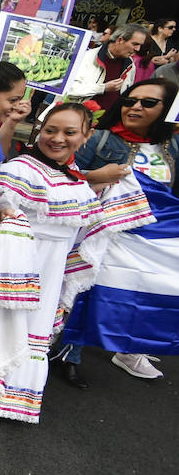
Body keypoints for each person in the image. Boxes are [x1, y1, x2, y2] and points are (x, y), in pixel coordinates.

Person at [0, 103, 150, 421]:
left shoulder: (77, 184)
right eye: (50, 130)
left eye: (69, 132)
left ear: (86, 137)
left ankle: (0, 394)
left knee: (31, 328)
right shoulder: (19, 170)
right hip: (7, 266)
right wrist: (3, 215)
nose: (57, 138)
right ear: (38, 132)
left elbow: (84, 228)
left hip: (48, 270)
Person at [59, 77, 179, 383]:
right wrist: (96, 175)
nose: (135, 107)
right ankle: (69, 353)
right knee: (87, 290)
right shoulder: (100, 138)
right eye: (129, 100)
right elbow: (61, 174)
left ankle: (129, 349)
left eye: (148, 103)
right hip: (100, 230)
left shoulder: (172, 145)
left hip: (150, 239)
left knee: (142, 292)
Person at [65, 24, 146, 112]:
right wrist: (103, 88)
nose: (138, 49)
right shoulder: (87, 57)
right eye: (135, 44)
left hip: (108, 121)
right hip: (79, 116)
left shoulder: (130, 65)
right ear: (120, 40)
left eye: (140, 45)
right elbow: (69, 89)